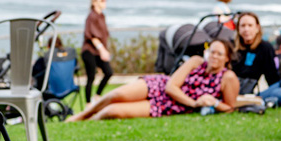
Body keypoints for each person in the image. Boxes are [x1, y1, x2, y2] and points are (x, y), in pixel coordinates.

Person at [67, 40, 239, 121]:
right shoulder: (196, 61)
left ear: (227, 58)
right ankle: (80, 116)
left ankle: (89, 122)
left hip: (172, 105)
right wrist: (194, 103)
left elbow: (229, 107)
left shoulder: (228, 77)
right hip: (160, 86)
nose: (214, 56)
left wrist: (214, 103)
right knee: (117, 94)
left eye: (219, 54)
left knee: (113, 111)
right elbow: (171, 86)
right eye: (212, 52)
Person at [231, 12, 279, 93]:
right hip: (230, 87)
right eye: (243, 25)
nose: (246, 29)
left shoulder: (265, 47)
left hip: (250, 89)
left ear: (257, 28)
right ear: (238, 28)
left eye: (250, 25)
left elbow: (272, 76)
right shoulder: (231, 46)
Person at [81, 0, 113, 104]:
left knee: (108, 72)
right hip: (89, 51)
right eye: (102, 0)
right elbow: (92, 36)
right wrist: (102, 50)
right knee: (91, 77)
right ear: (95, 2)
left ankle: (97, 96)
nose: (105, 2)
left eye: (105, 0)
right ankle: (88, 103)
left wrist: (104, 50)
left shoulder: (102, 16)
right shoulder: (92, 16)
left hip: (99, 51)